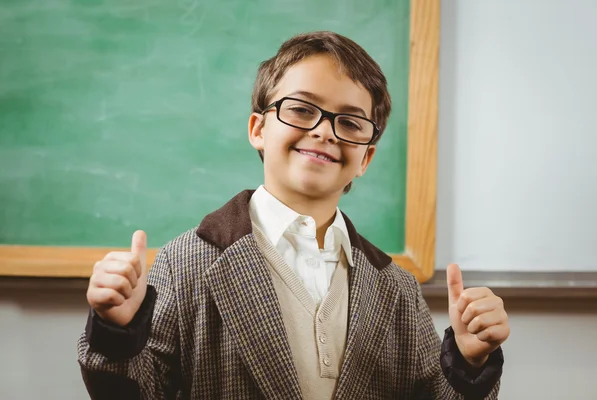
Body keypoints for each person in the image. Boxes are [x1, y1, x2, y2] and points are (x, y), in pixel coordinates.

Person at [78, 31, 510, 399]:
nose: (323, 131)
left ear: (366, 158)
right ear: (259, 130)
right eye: (302, 109)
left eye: (351, 122)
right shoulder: (186, 261)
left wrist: (469, 362)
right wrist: (118, 331)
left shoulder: (395, 288)